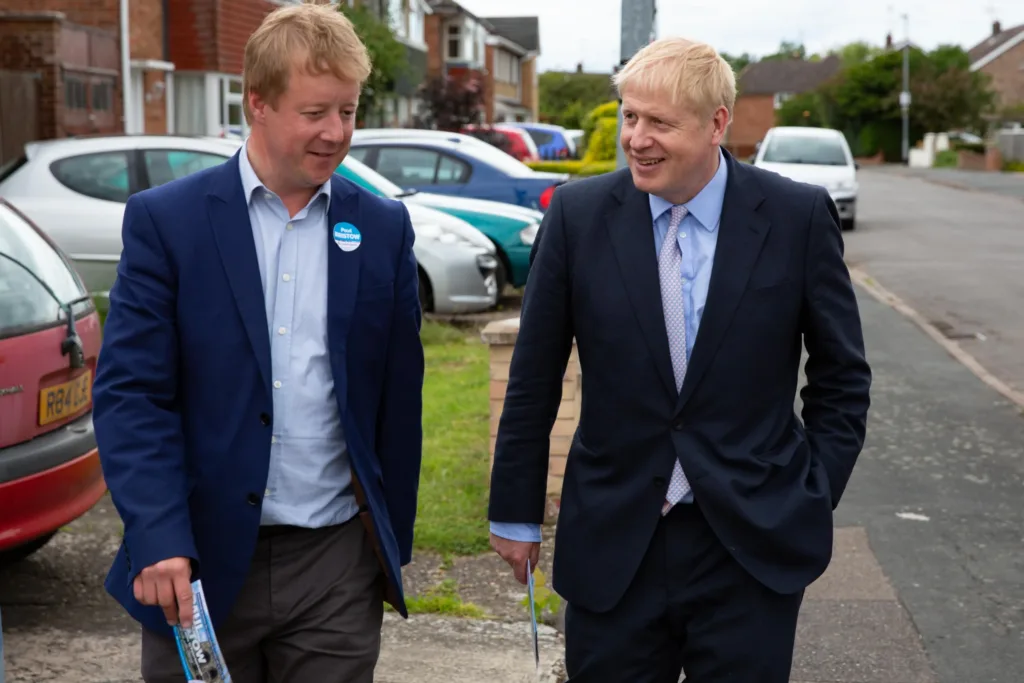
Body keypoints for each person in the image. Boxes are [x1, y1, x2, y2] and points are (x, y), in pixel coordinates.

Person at [488, 37, 871, 683]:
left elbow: (842, 376)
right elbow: (533, 377)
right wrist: (515, 510)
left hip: (751, 540)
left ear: (717, 123)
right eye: (630, 115)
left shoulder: (795, 216)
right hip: (615, 540)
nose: (636, 138)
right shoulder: (578, 217)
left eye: (659, 122)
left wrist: (810, 490)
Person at [92, 4, 423, 682]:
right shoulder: (168, 223)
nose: (336, 133)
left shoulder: (383, 229)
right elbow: (133, 395)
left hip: (334, 562)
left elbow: (399, 398)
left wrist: (385, 547)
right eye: (315, 112)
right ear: (259, 104)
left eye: (349, 111)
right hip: (197, 563)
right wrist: (158, 537)